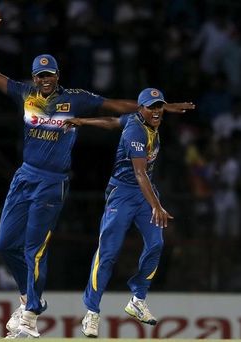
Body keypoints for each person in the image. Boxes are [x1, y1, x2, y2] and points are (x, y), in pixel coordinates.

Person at [0, 6, 194, 339]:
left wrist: (161, 107)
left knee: (33, 248)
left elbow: (113, 107)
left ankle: (32, 315)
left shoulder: (75, 100)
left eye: (49, 74)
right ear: (33, 77)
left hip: (52, 182)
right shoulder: (26, 94)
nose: (44, 80)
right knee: (4, 243)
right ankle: (27, 301)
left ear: (57, 75)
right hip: (24, 176)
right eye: (40, 75)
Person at [63, 88, 173, 338]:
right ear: (141, 109)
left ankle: (138, 299)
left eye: (159, 106)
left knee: (156, 243)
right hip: (123, 193)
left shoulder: (138, 121)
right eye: (151, 107)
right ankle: (91, 311)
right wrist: (156, 205)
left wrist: (82, 121)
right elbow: (139, 173)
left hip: (144, 193)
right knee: (109, 253)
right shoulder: (136, 130)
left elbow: (113, 121)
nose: (156, 111)